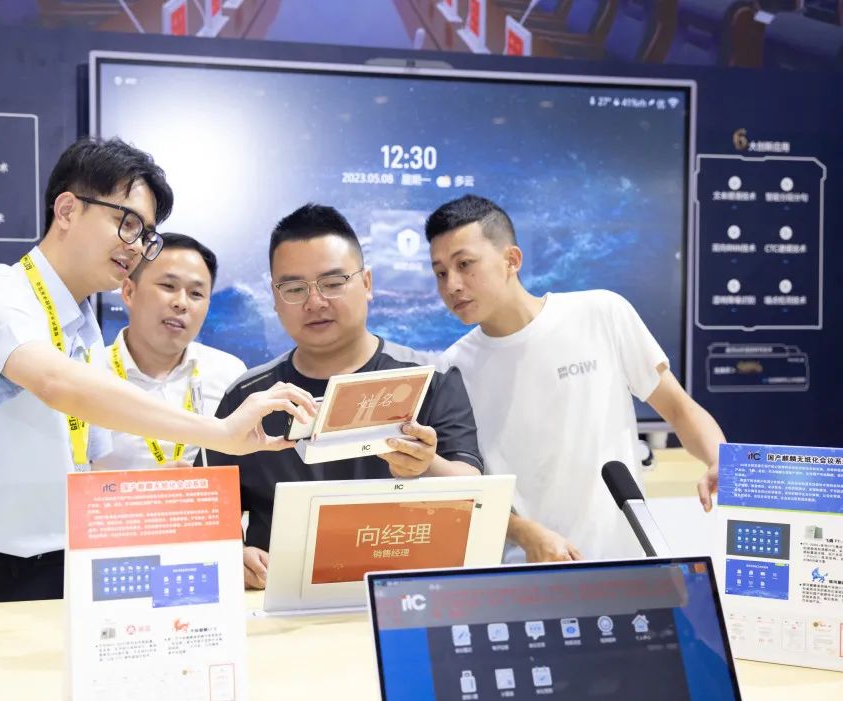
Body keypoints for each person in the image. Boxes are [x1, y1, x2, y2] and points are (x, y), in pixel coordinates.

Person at [0, 138, 314, 605]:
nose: (138, 247)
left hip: (66, 562)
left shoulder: (83, 325)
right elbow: (55, 383)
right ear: (67, 210)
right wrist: (220, 433)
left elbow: (92, 467)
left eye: (147, 235)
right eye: (127, 224)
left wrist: (176, 515)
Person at [426, 194, 726, 562]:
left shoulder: (601, 313)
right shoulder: (452, 369)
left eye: (465, 264)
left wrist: (718, 459)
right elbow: (466, 490)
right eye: (440, 273)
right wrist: (522, 532)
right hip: (523, 572)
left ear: (512, 260)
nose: (452, 285)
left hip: (626, 562)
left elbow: (678, 408)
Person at [204, 204, 485, 590]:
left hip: (406, 596)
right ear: (275, 298)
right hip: (282, 604)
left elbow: (475, 494)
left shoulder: (429, 378)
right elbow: (208, 517)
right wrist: (232, 554)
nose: (315, 302)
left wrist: (425, 464)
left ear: (366, 283)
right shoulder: (249, 398)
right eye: (294, 289)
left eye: (333, 283)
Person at [93, 233, 246, 470]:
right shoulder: (89, 372)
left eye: (196, 294)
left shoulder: (230, 375)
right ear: (129, 292)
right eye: (168, 286)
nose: (181, 303)